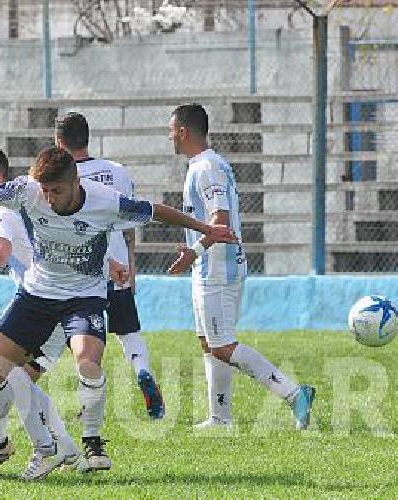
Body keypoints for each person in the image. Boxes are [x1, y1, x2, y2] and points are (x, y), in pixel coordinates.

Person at [0, 147, 238, 480]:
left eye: (57, 191)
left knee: (87, 361)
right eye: (46, 191)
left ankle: (92, 442)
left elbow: (155, 211)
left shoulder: (105, 202)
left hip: (84, 296)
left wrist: (204, 228)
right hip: (37, 293)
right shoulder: (27, 190)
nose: (49, 199)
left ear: (75, 182)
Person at [0, 143, 101, 479]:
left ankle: (46, 447)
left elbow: (0, 252)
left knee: (9, 375)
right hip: (52, 299)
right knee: (16, 376)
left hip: (45, 303)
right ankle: (59, 447)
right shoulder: (27, 200)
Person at [164, 104, 316, 430]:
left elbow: (220, 222)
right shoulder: (203, 165)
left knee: (221, 344)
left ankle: (293, 393)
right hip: (208, 269)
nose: (169, 136)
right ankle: (220, 418)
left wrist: (193, 252)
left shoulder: (207, 168)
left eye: (171, 130)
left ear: (183, 131)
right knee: (209, 343)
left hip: (218, 270)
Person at [55, 112, 166, 432]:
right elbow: (131, 225)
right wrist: (133, 268)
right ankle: (143, 371)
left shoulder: (63, 176)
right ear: (88, 138)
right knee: (128, 331)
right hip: (119, 265)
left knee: (83, 338)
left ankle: (88, 400)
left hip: (82, 270)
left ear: (58, 142)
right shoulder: (116, 171)